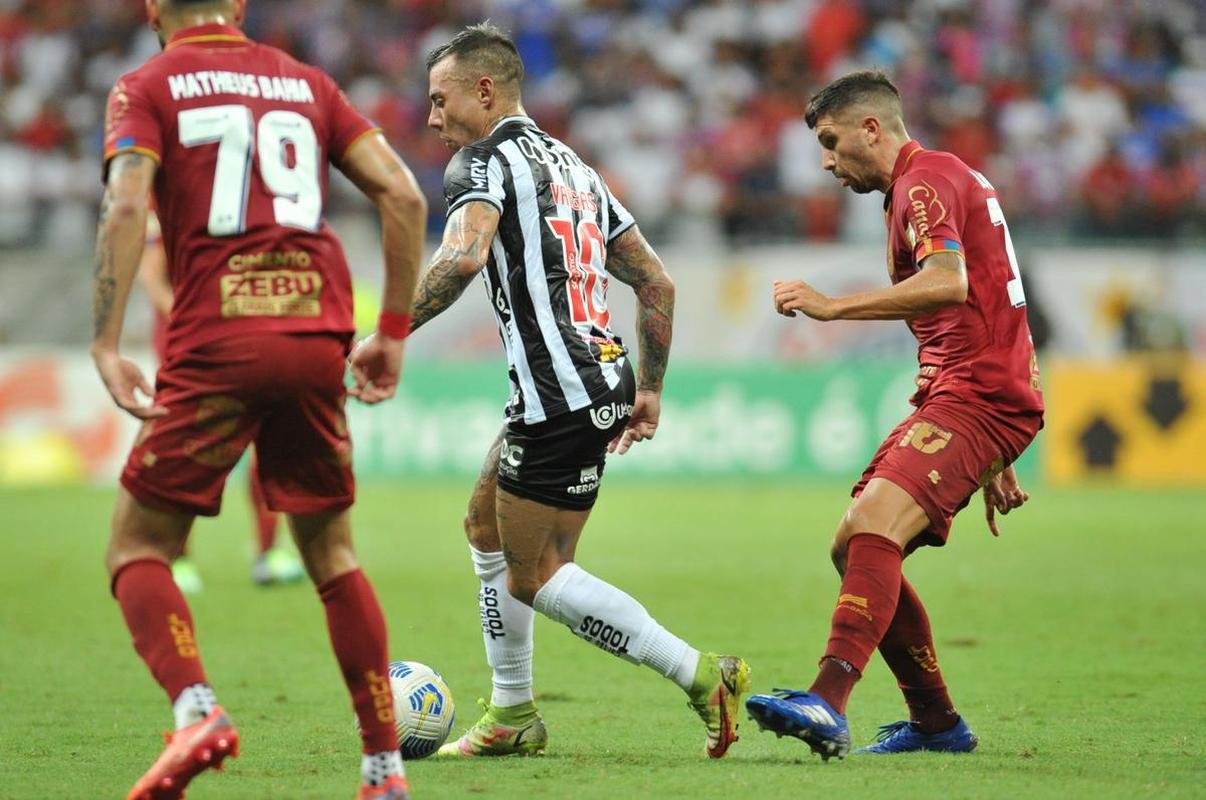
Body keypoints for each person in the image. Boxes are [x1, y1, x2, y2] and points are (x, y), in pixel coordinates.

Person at [92, 1, 426, 797]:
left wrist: (106, 342)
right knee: (333, 555)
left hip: (217, 337)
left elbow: (127, 204)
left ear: (151, 10)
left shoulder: (144, 86)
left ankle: (197, 708)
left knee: (139, 547)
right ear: (239, 6)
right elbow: (407, 197)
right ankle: (383, 770)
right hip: (317, 332)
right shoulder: (307, 81)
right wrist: (392, 331)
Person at [400, 22, 749, 759]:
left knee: (537, 574)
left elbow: (461, 262)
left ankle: (699, 674)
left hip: (558, 394)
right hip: (602, 378)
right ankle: (513, 712)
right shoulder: (572, 166)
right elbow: (655, 279)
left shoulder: (481, 162)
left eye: (440, 99)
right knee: (483, 526)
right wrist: (648, 389)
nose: (431, 117)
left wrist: (381, 330)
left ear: (485, 89)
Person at [745, 70, 1044, 759]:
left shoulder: (924, 182)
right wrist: (997, 448)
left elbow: (949, 282)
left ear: (870, 128)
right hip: (970, 393)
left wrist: (829, 306)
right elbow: (995, 298)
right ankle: (936, 722)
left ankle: (827, 699)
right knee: (851, 543)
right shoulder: (939, 178)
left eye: (830, 141)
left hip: (977, 393)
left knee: (874, 524)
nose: (825, 162)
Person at [137, 213, 306, 593]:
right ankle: (177, 558)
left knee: (266, 442)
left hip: (245, 341)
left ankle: (269, 553)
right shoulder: (171, 197)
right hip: (186, 348)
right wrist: (194, 322)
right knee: (188, 451)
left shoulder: (249, 203)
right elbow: (152, 276)